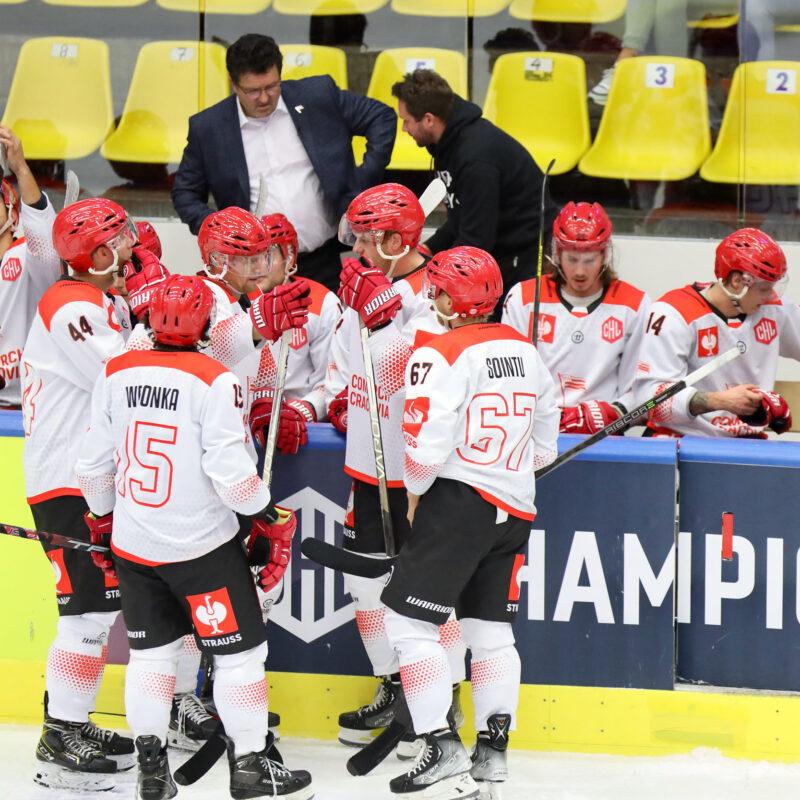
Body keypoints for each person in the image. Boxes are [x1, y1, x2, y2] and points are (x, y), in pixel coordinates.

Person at [74, 274, 313, 800]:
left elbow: (92, 469)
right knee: (240, 657)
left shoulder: (116, 370)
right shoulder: (215, 379)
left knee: (151, 658)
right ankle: (251, 768)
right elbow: (232, 477)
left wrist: (103, 522)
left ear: (148, 321)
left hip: (136, 549)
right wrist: (268, 515)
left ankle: (152, 773)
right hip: (203, 551)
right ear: (206, 327)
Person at [381, 246, 559, 799]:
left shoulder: (438, 352)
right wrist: (522, 468)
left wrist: (414, 495)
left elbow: (426, 442)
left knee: (408, 625)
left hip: (459, 502)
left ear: (445, 298)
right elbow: (547, 426)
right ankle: (492, 754)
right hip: (515, 507)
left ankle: (440, 746)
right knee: (490, 632)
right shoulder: (523, 348)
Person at [323, 183, 467, 754]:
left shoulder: (437, 291)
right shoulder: (362, 288)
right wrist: (335, 401)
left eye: (365, 238)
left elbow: (415, 374)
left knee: (427, 597)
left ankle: (441, 699)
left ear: (393, 240)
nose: (355, 248)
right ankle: (392, 685)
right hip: (366, 465)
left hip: (419, 476)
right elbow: (344, 368)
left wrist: (383, 319)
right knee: (366, 589)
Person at [21, 198, 138, 792]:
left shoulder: (96, 299)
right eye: (119, 239)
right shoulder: (70, 304)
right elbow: (124, 377)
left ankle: (71, 720)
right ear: (94, 253)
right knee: (87, 613)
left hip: (83, 478)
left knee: (97, 609)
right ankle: (60, 735)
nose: (131, 246)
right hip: (67, 480)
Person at [171, 33, 396, 291]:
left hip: (328, 259)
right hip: (257, 270)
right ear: (233, 83)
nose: (264, 98)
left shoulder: (316, 96)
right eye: (252, 91)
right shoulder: (209, 128)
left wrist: (361, 185)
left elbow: (381, 117)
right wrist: (221, 232)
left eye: (271, 86)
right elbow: (185, 193)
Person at [391, 69, 556, 303]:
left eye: (407, 121)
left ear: (428, 119)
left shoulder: (476, 160)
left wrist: (427, 274)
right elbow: (461, 219)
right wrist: (425, 251)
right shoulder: (447, 144)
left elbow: (476, 241)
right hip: (500, 247)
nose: (404, 129)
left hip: (524, 255)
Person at [633, 227, 800, 437]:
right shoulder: (673, 313)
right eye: (764, 288)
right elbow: (648, 402)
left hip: (745, 443)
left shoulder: (775, 309)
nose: (770, 296)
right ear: (738, 281)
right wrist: (718, 401)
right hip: (680, 439)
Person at [502, 201, 651, 434]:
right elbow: (509, 377)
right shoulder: (523, 298)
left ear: (605, 255)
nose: (580, 271)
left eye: (589, 260)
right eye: (572, 259)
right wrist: (541, 414)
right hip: (536, 429)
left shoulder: (635, 305)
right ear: (557, 254)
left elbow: (642, 389)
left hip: (603, 433)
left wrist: (610, 413)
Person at [247, 213, 341, 455]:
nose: (257, 266)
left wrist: (297, 412)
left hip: (300, 430)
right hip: (245, 423)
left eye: (267, 256)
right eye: (251, 256)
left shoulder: (322, 303)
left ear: (289, 257)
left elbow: (332, 382)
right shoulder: (236, 301)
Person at [0, 125, 61, 408]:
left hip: (24, 411)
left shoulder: (26, 255)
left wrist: (21, 169)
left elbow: (46, 246)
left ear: (11, 209)